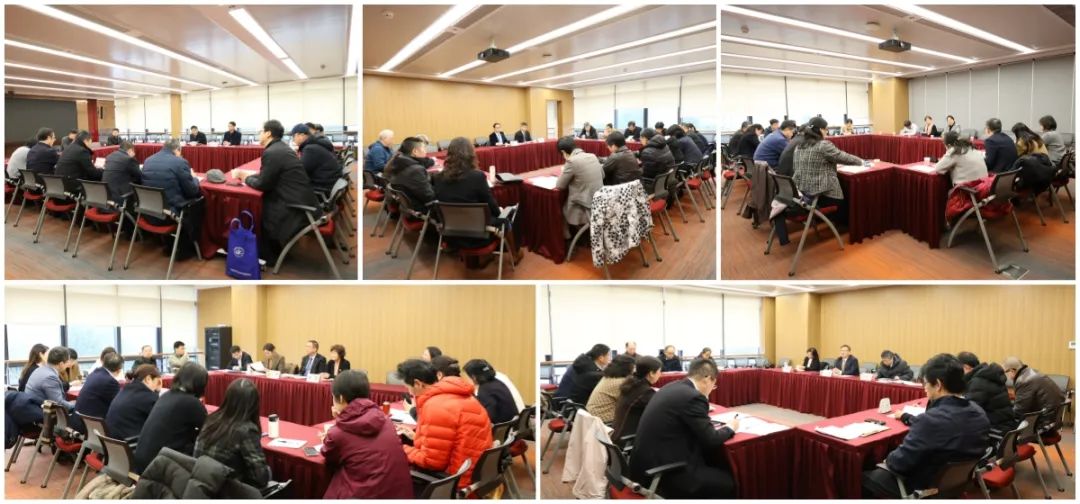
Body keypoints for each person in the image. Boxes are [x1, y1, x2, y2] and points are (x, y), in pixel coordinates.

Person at [862, 354, 989, 498]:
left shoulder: (930, 421)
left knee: (863, 477)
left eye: (926, 383)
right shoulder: (979, 413)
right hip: (956, 485)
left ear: (938, 385)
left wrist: (887, 459)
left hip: (924, 487)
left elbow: (899, 463)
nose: (925, 389)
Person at [631, 358, 738, 498]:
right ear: (707, 379)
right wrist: (730, 427)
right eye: (714, 384)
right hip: (664, 471)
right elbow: (711, 439)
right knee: (728, 481)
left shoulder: (672, 386)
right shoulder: (693, 397)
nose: (712, 388)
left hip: (644, 463)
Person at [395, 359, 492, 490]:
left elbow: (431, 462)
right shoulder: (461, 395)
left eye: (408, 387)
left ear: (417, 383)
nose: (409, 393)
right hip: (474, 474)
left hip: (455, 482)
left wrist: (400, 449)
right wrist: (416, 437)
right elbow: (448, 439)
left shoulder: (436, 406)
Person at [321, 370, 413, 498]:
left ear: (340, 398)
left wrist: (336, 426)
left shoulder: (339, 433)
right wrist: (341, 420)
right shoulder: (385, 419)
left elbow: (329, 456)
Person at [240, 120, 320, 264]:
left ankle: (268, 257)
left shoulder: (272, 152)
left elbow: (263, 184)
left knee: (259, 209)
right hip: (303, 200)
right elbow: (268, 176)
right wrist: (253, 176)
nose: (258, 134)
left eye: (260, 131)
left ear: (268, 133)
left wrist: (245, 178)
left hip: (297, 209)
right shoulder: (280, 147)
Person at [433, 137, 522, 262]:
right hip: (480, 236)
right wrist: (501, 212)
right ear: (470, 154)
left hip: (451, 235)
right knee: (506, 219)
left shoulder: (437, 177)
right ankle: (515, 255)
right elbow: (492, 207)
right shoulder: (477, 176)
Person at [193, 379, 270, 489]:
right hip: (227, 490)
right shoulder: (246, 429)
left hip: (202, 483)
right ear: (254, 404)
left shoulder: (211, 420)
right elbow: (260, 477)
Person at [134, 362, 209, 473]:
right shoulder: (191, 402)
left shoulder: (166, 396)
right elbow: (209, 429)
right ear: (200, 384)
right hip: (159, 465)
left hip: (142, 461)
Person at [141, 139, 204, 260]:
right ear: (177, 150)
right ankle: (185, 249)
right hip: (169, 216)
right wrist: (195, 178)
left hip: (149, 213)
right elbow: (192, 191)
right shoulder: (180, 162)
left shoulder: (148, 160)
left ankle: (169, 245)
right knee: (198, 203)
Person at [555, 136, 603, 239]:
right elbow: (602, 175)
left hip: (584, 204)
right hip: (600, 200)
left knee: (559, 207)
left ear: (563, 152)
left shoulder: (572, 161)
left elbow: (560, 186)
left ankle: (567, 237)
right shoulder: (592, 156)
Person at [956, 352, 1016, 434]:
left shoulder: (978, 381)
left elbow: (969, 411)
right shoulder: (987, 376)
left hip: (996, 431)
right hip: (1006, 427)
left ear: (965, 367)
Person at [1001, 357, 1065, 433]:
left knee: (1002, 424)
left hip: (1045, 422)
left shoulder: (1023, 381)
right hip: (1053, 417)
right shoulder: (1031, 372)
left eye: (1005, 372)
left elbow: (1019, 410)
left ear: (1012, 370)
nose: (1005, 375)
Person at [612, 355, 662, 444]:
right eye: (659, 371)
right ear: (651, 373)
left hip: (617, 436)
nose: (660, 374)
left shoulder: (631, 384)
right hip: (627, 441)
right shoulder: (644, 391)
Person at [70, 351, 123, 435]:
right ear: (119, 370)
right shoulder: (110, 382)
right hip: (91, 428)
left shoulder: (94, 373)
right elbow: (120, 405)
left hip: (79, 422)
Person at [105, 364, 162, 441]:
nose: (157, 385)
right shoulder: (147, 396)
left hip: (114, 442)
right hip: (130, 443)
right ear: (148, 379)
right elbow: (161, 421)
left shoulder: (125, 389)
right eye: (157, 381)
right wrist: (158, 391)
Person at [383, 136, 434, 209]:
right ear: (415, 151)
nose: (426, 151)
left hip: (403, 206)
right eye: (424, 148)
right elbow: (429, 197)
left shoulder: (396, 161)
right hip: (419, 209)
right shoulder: (416, 170)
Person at [290, 123, 340, 196]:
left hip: (323, 189)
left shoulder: (310, 149)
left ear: (301, 135)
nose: (293, 140)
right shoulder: (314, 144)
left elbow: (301, 171)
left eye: (293, 137)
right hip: (329, 183)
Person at [463, 359, 517, 424]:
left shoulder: (485, 389)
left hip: (500, 427)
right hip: (511, 425)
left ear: (474, 377)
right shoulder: (498, 382)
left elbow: (489, 417)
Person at [585, 354, 635, 425]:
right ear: (628, 368)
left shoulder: (607, 377)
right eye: (633, 367)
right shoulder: (620, 382)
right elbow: (632, 400)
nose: (634, 370)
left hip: (592, 418)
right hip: (603, 422)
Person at [25, 347, 75, 412]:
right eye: (67, 362)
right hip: (41, 413)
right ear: (61, 364)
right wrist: (75, 404)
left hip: (33, 408)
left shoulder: (39, 369)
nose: (68, 365)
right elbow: (59, 404)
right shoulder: (50, 377)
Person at [55, 130, 102, 196]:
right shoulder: (81, 151)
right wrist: (103, 171)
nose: (91, 144)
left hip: (61, 186)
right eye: (91, 141)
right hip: (73, 187)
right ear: (86, 141)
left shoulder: (69, 148)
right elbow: (93, 173)